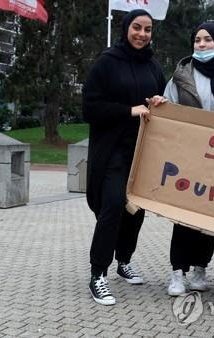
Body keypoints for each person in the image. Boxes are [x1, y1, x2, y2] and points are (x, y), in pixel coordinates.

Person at [82, 9, 166, 306]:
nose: (142, 34)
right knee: (114, 205)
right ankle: (98, 274)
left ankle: (124, 260)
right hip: (113, 149)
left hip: (142, 151)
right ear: (125, 28)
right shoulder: (107, 63)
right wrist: (128, 110)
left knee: (137, 209)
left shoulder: (153, 66)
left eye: (148, 29)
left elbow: (157, 103)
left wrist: (158, 102)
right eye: (137, 28)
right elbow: (90, 108)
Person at [155, 23, 214, 296]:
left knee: (211, 219)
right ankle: (177, 272)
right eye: (197, 40)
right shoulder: (181, 76)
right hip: (189, 159)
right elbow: (168, 114)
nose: (202, 45)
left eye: (207, 40)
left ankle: (200, 269)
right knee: (184, 219)